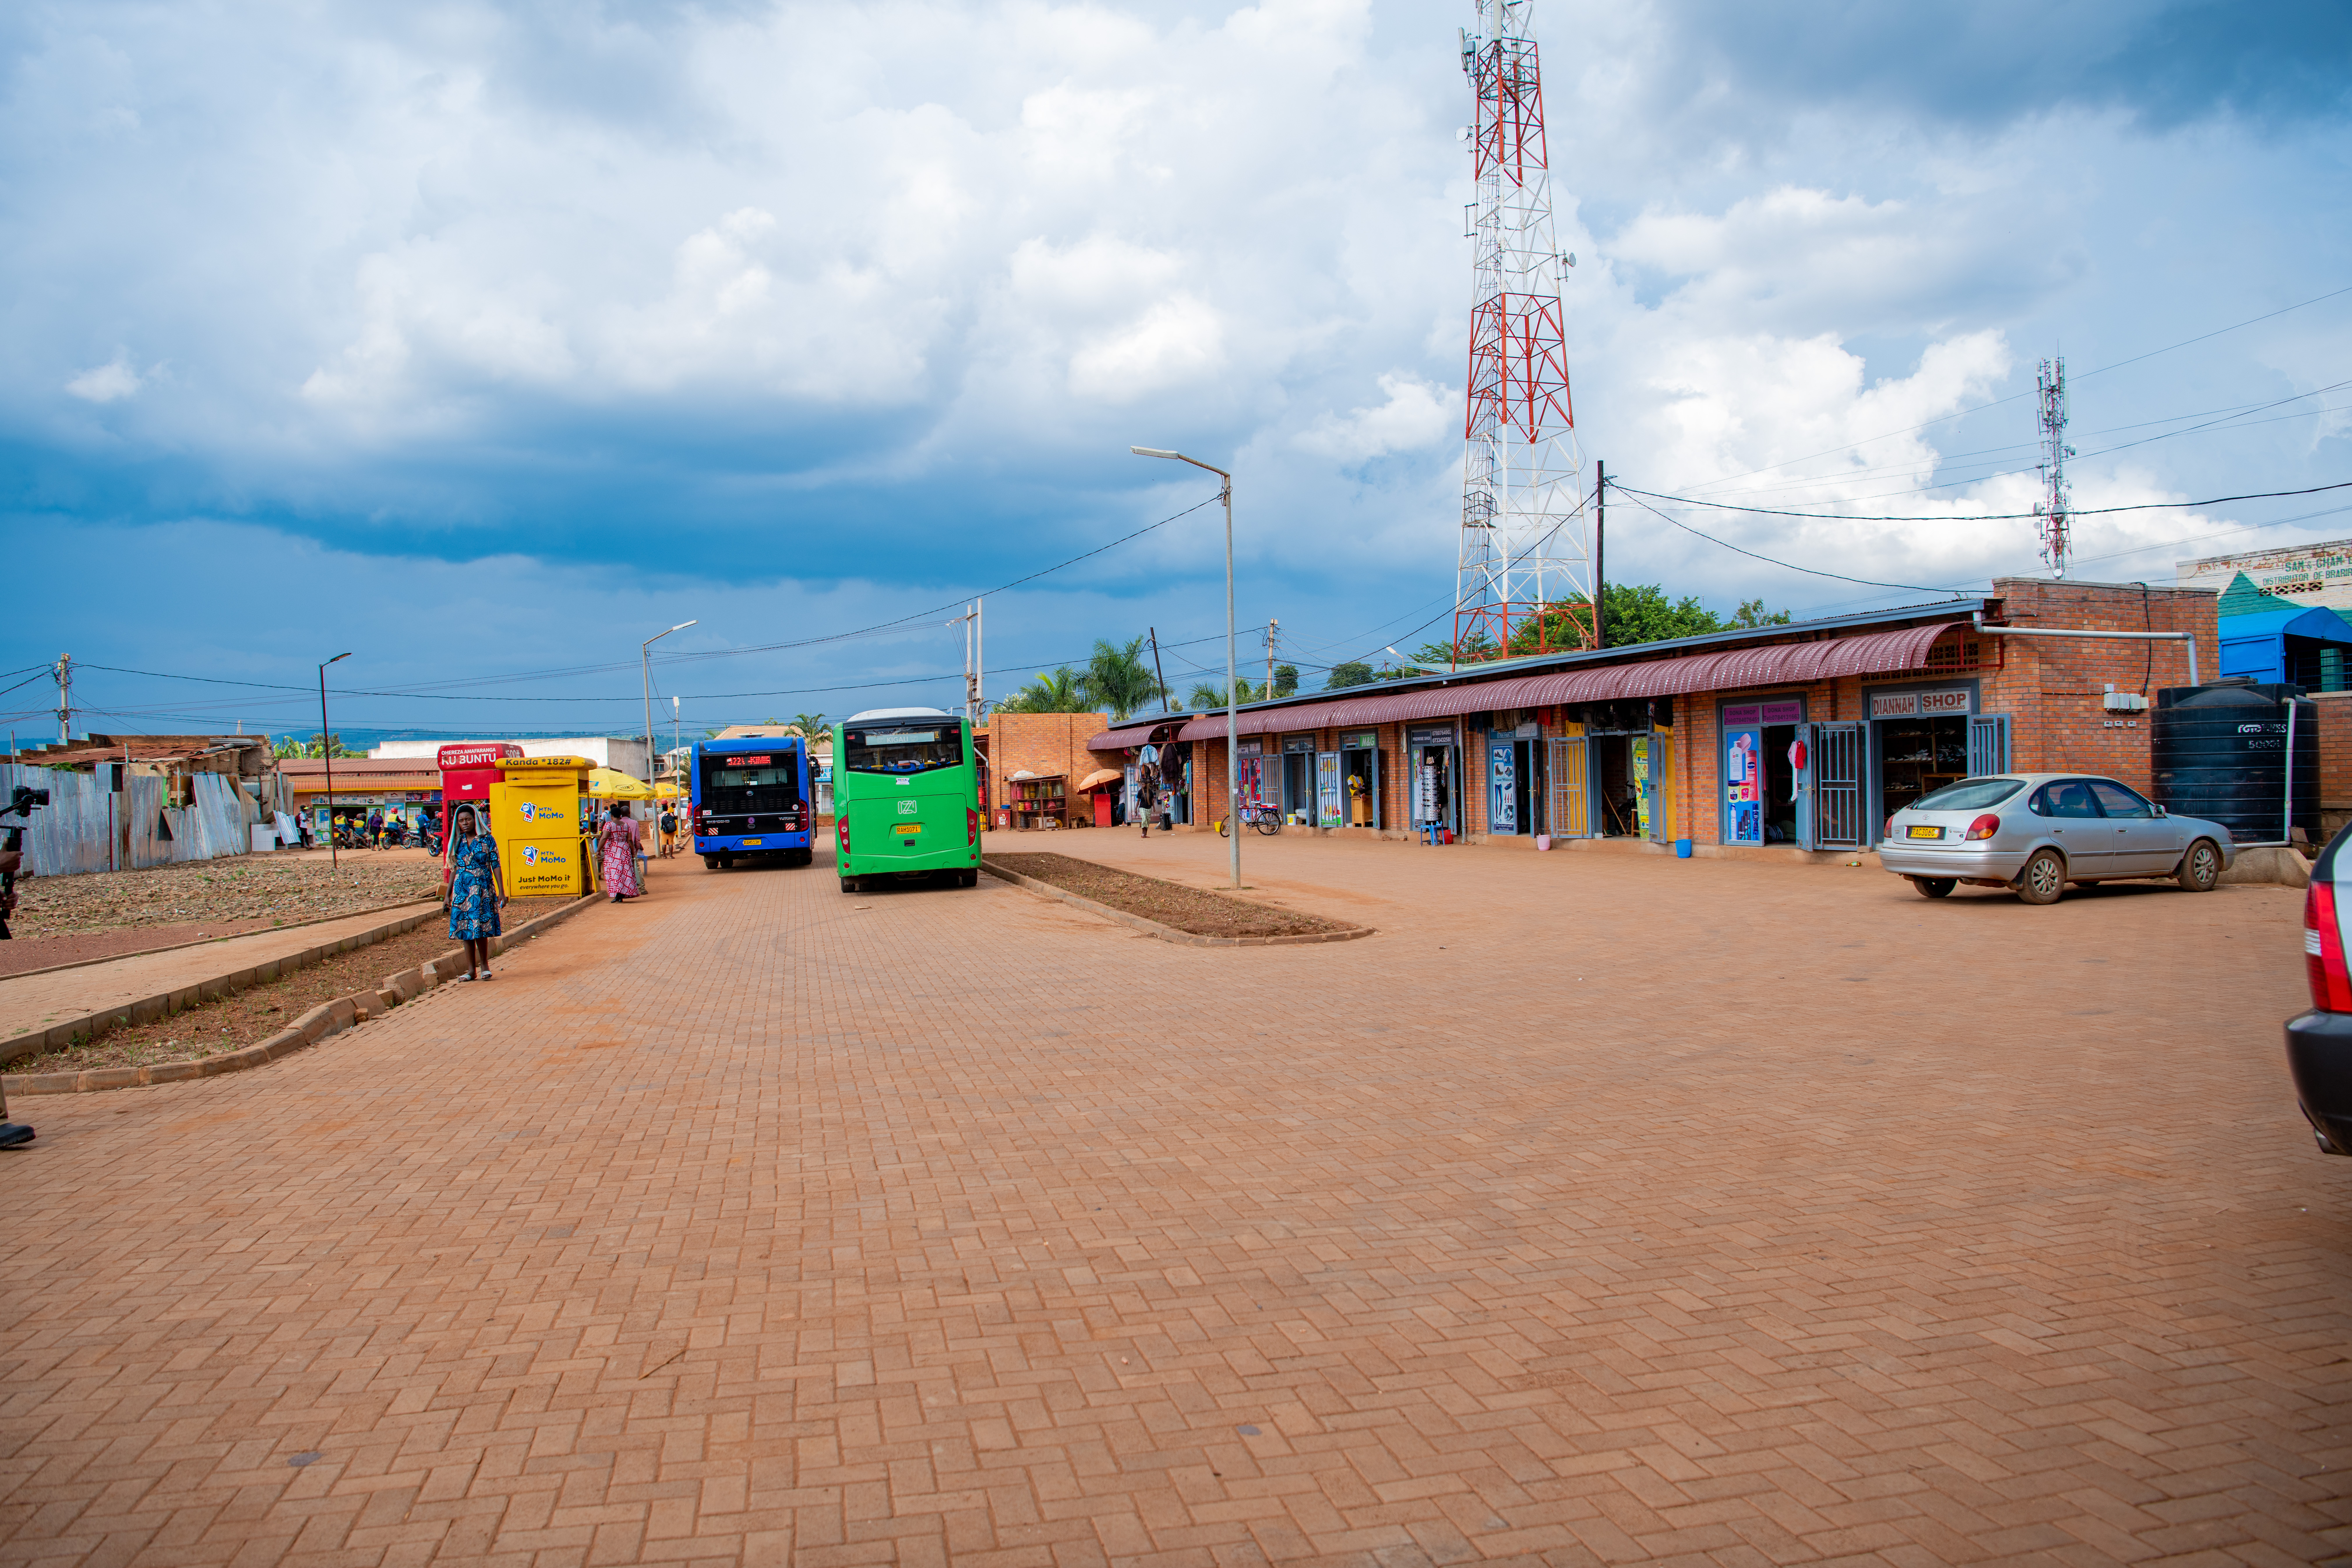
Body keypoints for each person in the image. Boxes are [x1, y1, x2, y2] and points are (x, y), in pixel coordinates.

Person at [446, 804, 506, 980]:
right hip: (462, 891)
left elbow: (496, 865)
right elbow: (454, 869)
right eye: (461, 821)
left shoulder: (487, 839)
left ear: (476, 820)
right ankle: (471, 971)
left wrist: (502, 892)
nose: (465, 823)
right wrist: (447, 895)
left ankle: (485, 966)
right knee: (466, 929)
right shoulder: (457, 842)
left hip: (482, 890)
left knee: (481, 927)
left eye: (468, 819)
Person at [598, 800, 643, 902]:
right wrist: (633, 853)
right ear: (621, 815)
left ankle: (618, 894)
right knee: (625, 873)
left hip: (613, 852)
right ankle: (622, 895)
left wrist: (598, 850)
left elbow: (604, 838)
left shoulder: (609, 825)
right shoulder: (626, 826)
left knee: (615, 873)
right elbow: (630, 840)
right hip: (625, 850)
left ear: (611, 815)